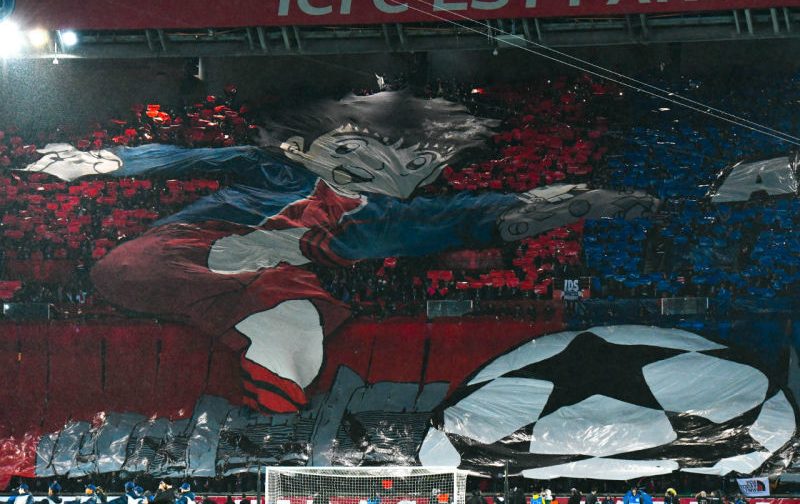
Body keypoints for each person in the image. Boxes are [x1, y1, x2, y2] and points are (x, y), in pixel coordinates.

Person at [26, 92, 656, 414]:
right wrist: (102, 161)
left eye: (411, 162)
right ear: (306, 147)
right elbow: (190, 157)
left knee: (297, 329)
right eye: (355, 147)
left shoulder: (392, 217)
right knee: (143, 270)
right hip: (174, 254)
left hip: (263, 282)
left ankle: (272, 428)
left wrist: (581, 204)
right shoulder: (275, 172)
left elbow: (491, 215)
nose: (377, 164)